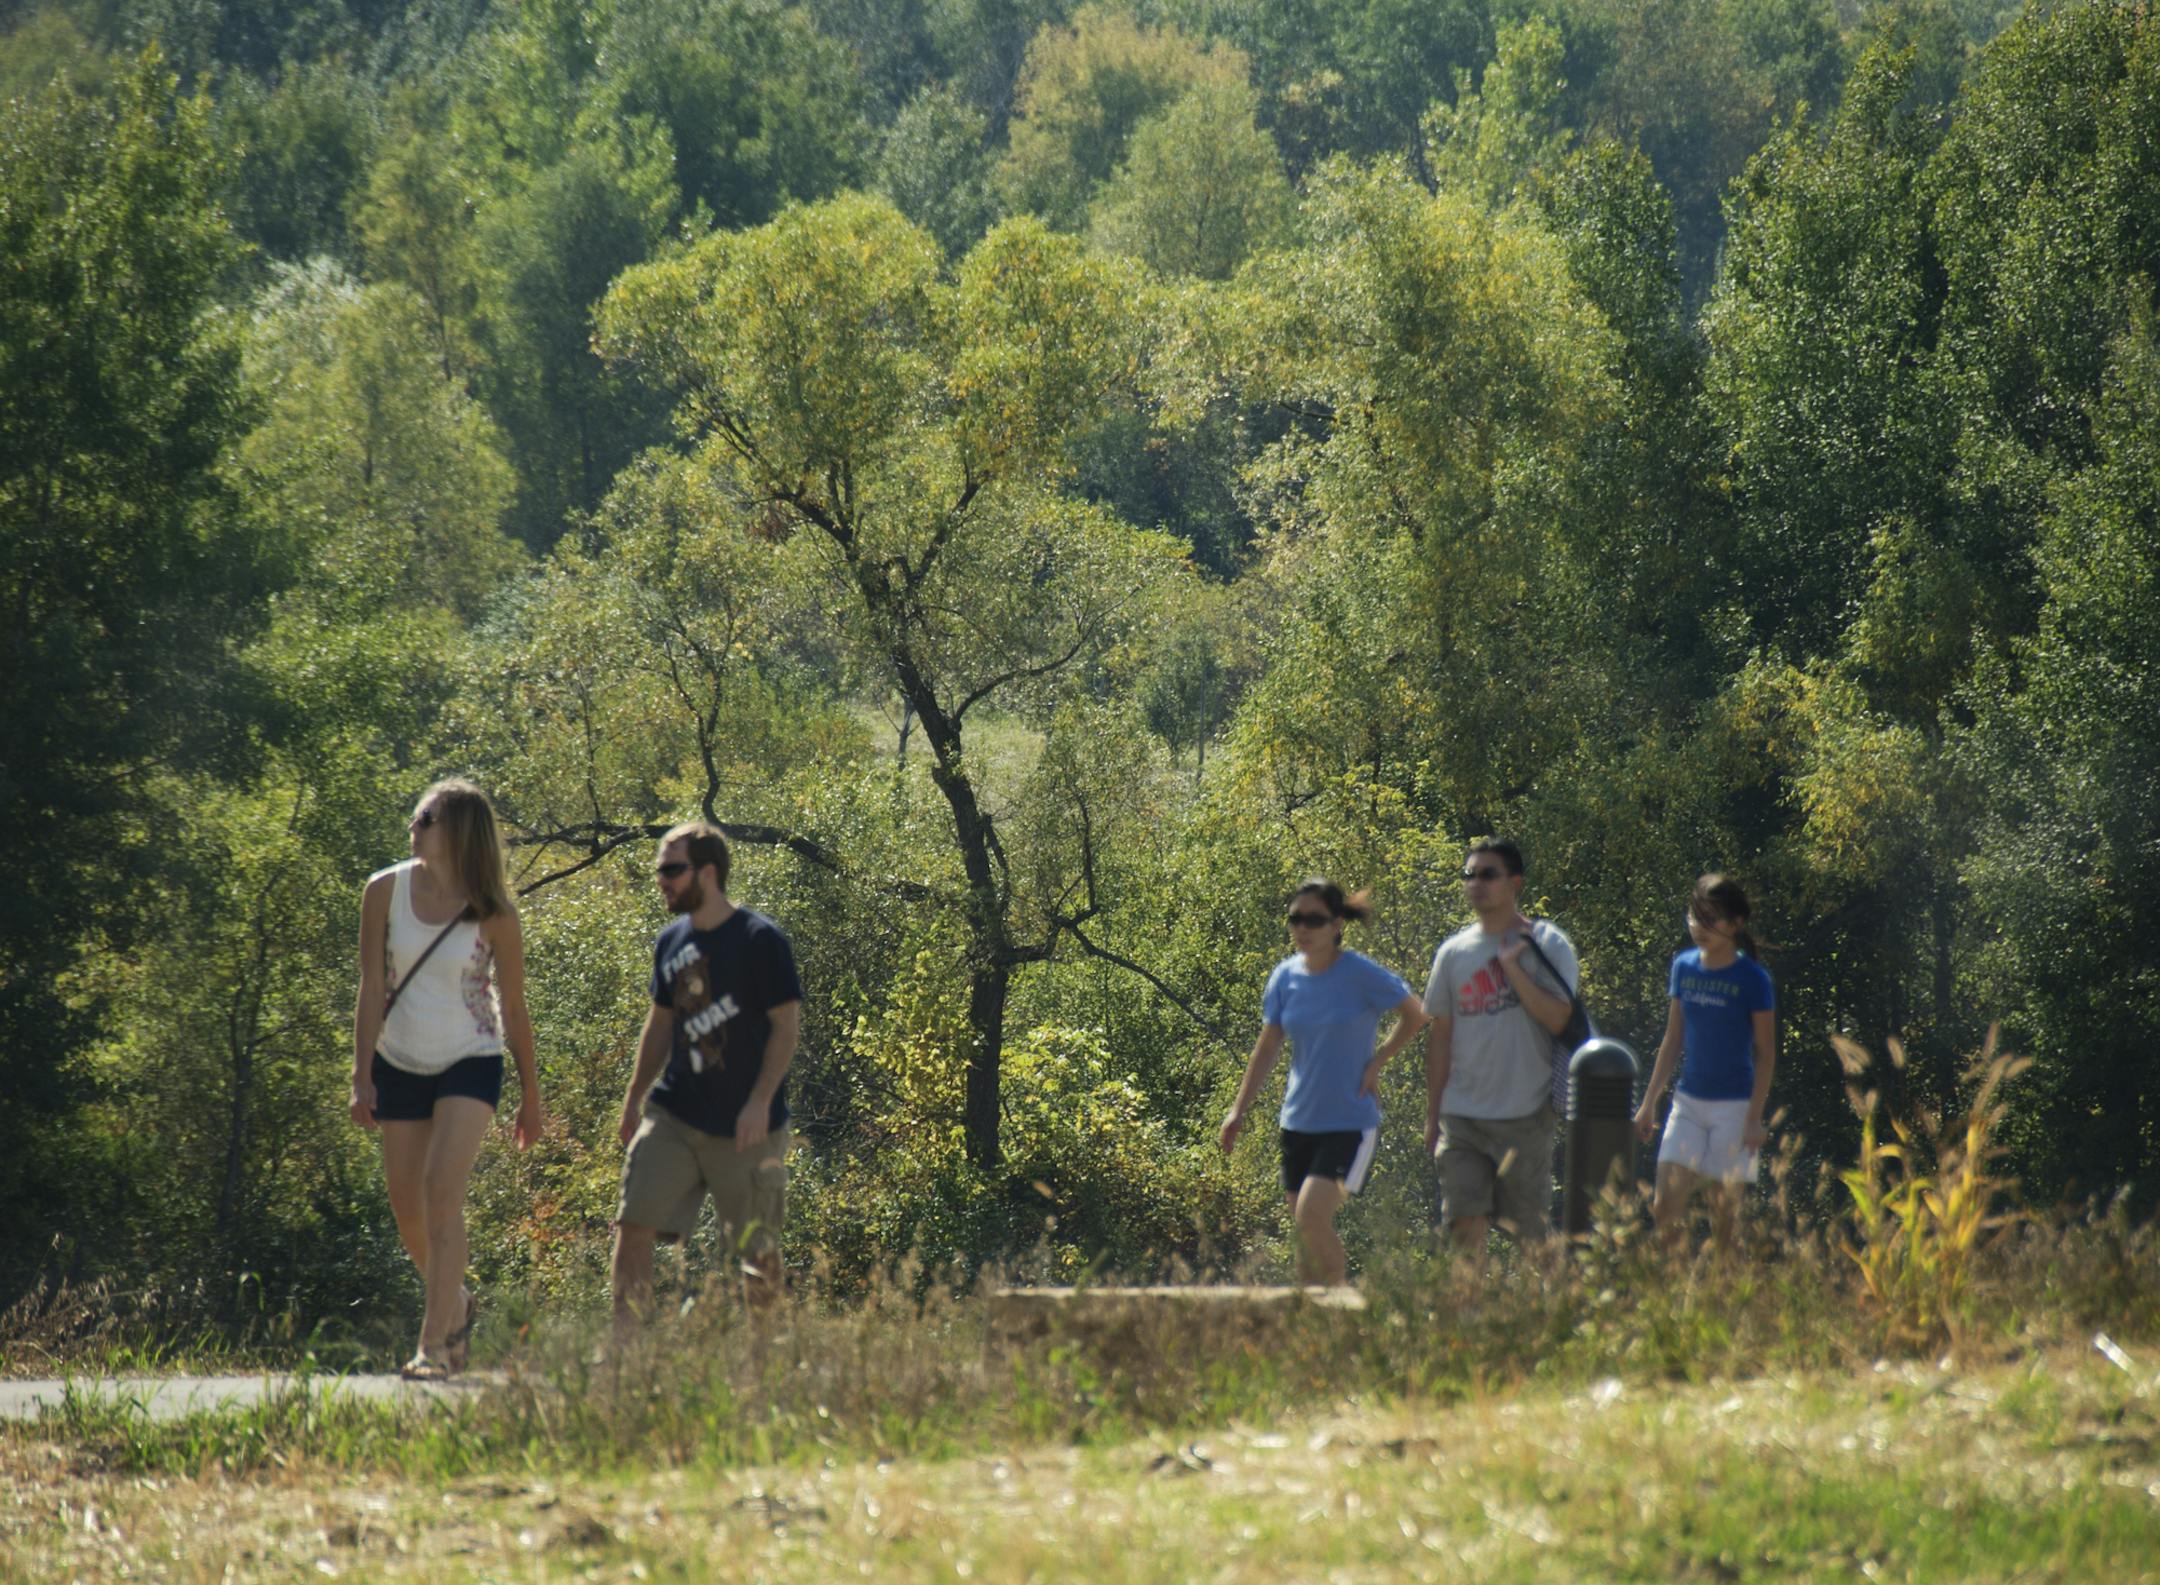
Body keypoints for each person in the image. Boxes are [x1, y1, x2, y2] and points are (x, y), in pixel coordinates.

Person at [351, 778, 543, 1380]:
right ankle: (457, 1306)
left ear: (457, 829)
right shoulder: (384, 890)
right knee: (408, 1212)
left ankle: (431, 1347)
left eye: (426, 816)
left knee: (441, 1192)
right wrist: (361, 1075)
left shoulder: (494, 913)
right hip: (399, 1059)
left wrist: (531, 1096)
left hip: (471, 1056)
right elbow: (371, 985)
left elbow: (513, 1008)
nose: (414, 823)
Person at [612, 822, 802, 1334]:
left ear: (709, 872)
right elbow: (660, 1026)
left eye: (672, 870)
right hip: (676, 1114)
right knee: (633, 1224)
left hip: (748, 1127)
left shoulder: (761, 940)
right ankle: (625, 1361)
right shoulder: (670, 942)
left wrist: (760, 1100)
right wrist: (633, 1099)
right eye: (659, 871)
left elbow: (786, 1028)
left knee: (756, 1253)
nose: (662, 881)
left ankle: (765, 1369)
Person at [1219, 880, 1428, 1286]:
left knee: (1311, 1216)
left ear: (1335, 925)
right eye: (1296, 919)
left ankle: (1341, 1311)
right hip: (1298, 1121)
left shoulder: (1360, 973)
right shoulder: (1285, 977)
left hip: (1350, 1119)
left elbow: (1416, 1013)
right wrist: (1237, 1110)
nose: (1302, 928)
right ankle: (1312, 1328)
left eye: (1313, 920)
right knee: (1304, 1233)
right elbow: (1267, 1048)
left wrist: (1378, 1062)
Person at [1422, 839, 1578, 1263]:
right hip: (1463, 1118)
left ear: (1515, 883)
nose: (1476, 884)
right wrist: (1433, 1114)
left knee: (1529, 1236)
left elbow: (1561, 1020)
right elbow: (1440, 1038)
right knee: (1462, 1223)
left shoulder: (1548, 944)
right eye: (1469, 875)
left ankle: (1560, 1317)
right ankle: (1465, 1325)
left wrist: (1512, 969)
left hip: (1525, 1116)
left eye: (1487, 874)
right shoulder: (1453, 954)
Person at [1633, 874, 1777, 1252]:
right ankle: (1675, 1298)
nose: (1700, 927)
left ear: (1735, 924)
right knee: (1664, 1206)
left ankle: (1720, 1302)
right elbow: (1673, 1037)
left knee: (1724, 1223)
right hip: (1688, 1102)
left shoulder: (1753, 979)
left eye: (1711, 918)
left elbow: (1766, 1054)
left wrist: (1753, 1118)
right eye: (1695, 916)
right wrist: (1649, 1102)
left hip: (1734, 1107)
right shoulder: (1683, 967)